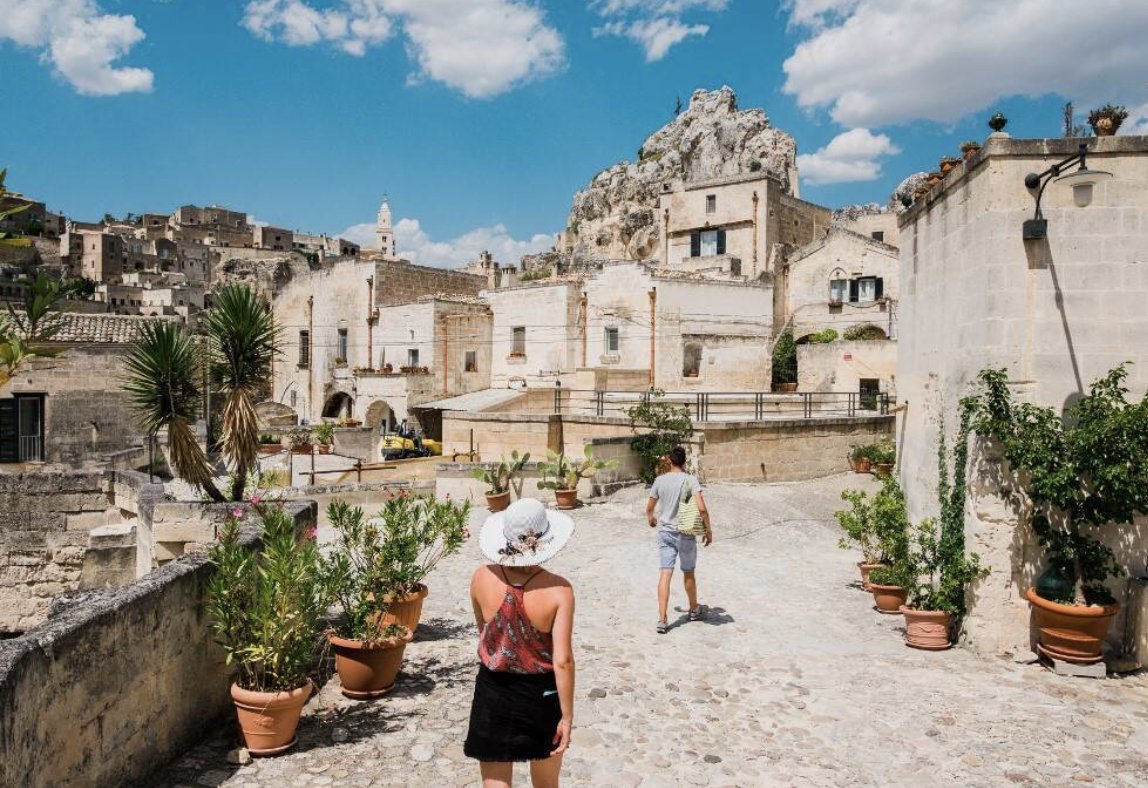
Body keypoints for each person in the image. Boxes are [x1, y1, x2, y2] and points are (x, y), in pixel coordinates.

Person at [465, 498, 576, 788]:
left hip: (493, 689)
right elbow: (562, 660)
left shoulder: (480, 577)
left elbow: (486, 635)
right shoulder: (559, 591)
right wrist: (567, 717)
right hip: (541, 694)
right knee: (546, 783)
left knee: (495, 784)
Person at [646, 445, 712, 633]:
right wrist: (708, 531)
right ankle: (693, 609)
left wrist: (651, 519)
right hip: (686, 533)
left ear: (670, 460)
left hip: (666, 532)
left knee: (665, 573)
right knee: (688, 572)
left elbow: (649, 507)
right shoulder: (691, 480)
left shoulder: (660, 480)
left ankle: (662, 619)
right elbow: (701, 508)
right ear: (684, 461)